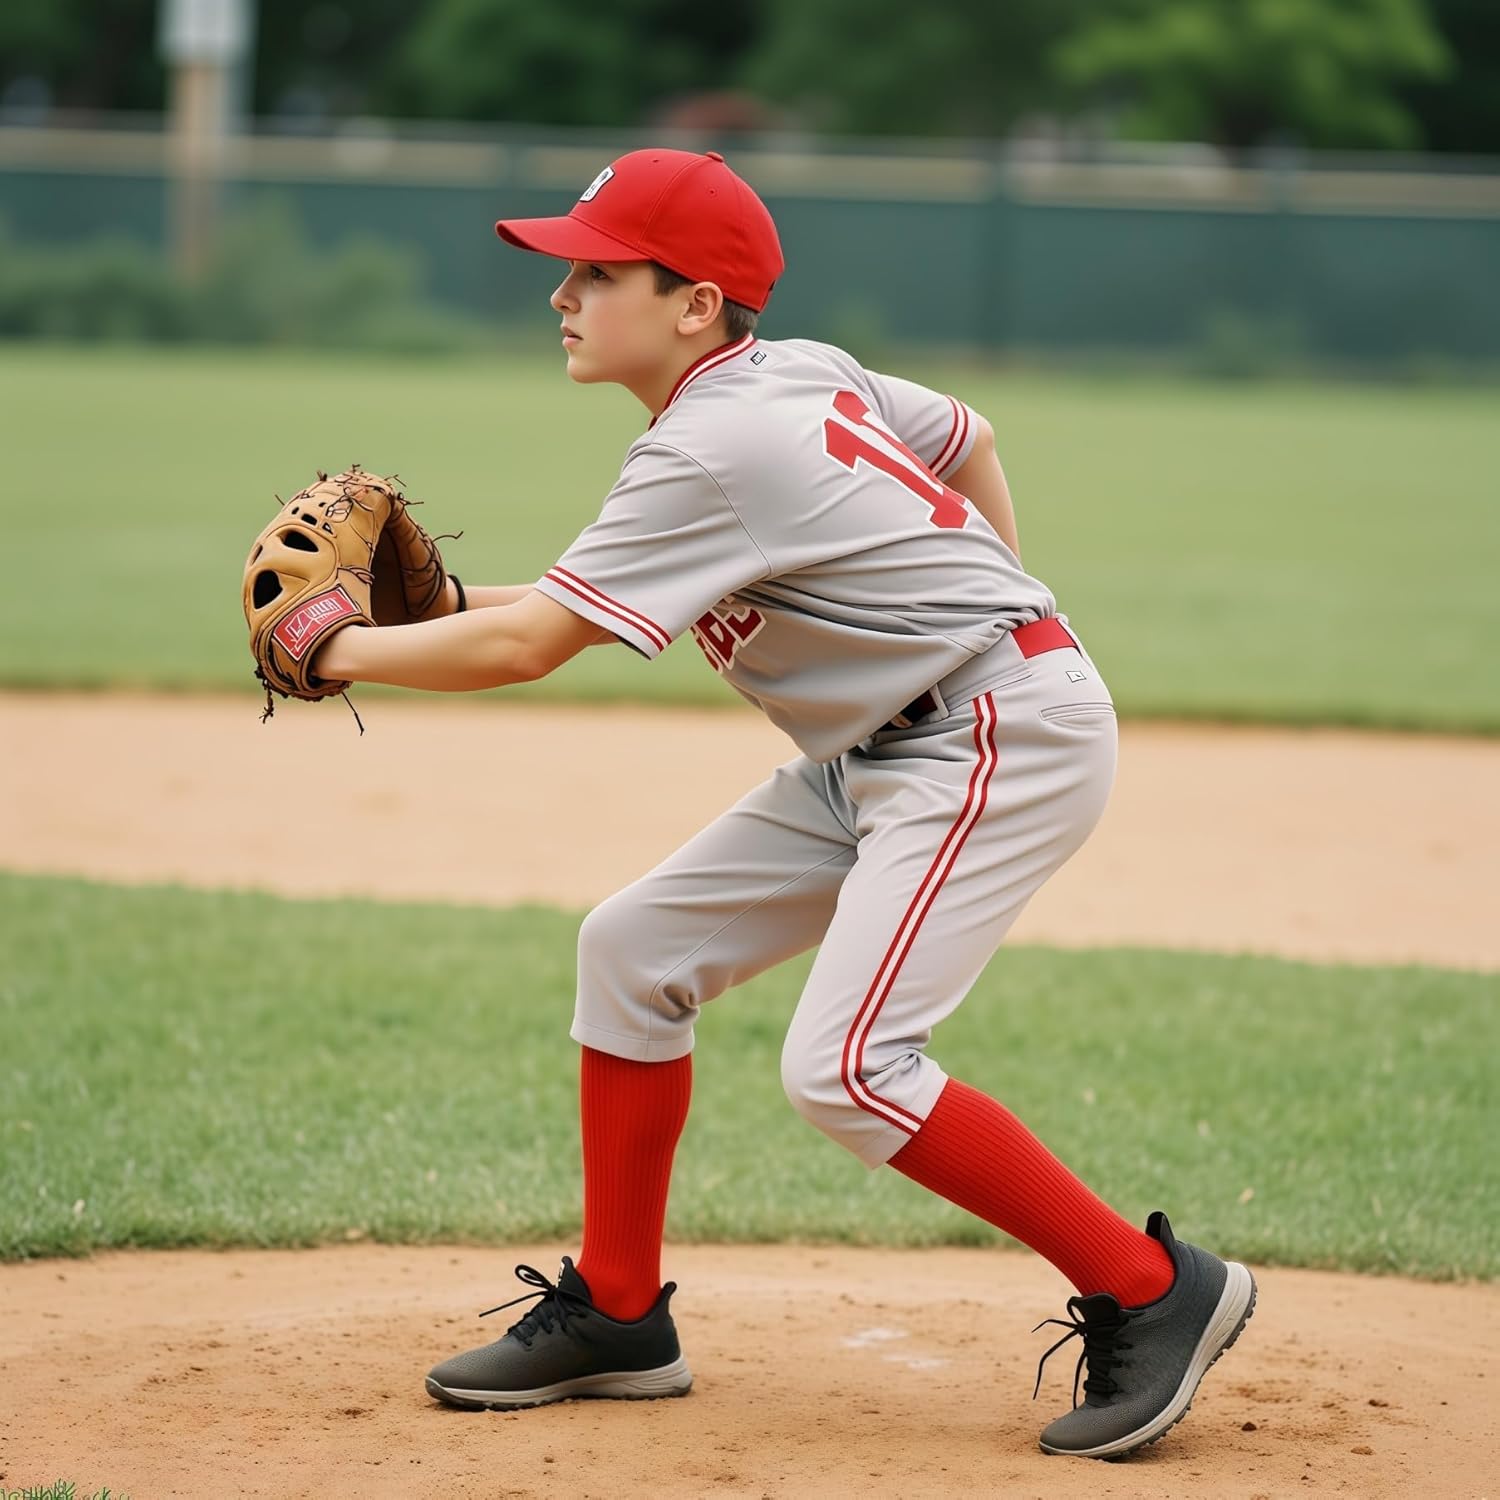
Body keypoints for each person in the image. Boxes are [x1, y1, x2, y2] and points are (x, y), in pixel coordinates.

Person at [312, 148, 1255, 1460]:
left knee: (850, 1071)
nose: (563, 294)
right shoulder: (790, 373)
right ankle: (622, 1315)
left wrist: (333, 651)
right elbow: (968, 435)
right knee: (634, 953)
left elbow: (529, 650)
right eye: (565, 268)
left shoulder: (710, 447)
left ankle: (1157, 1289)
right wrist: (986, 592)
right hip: (897, 741)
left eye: (597, 270)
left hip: (989, 737)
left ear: (695, 303)